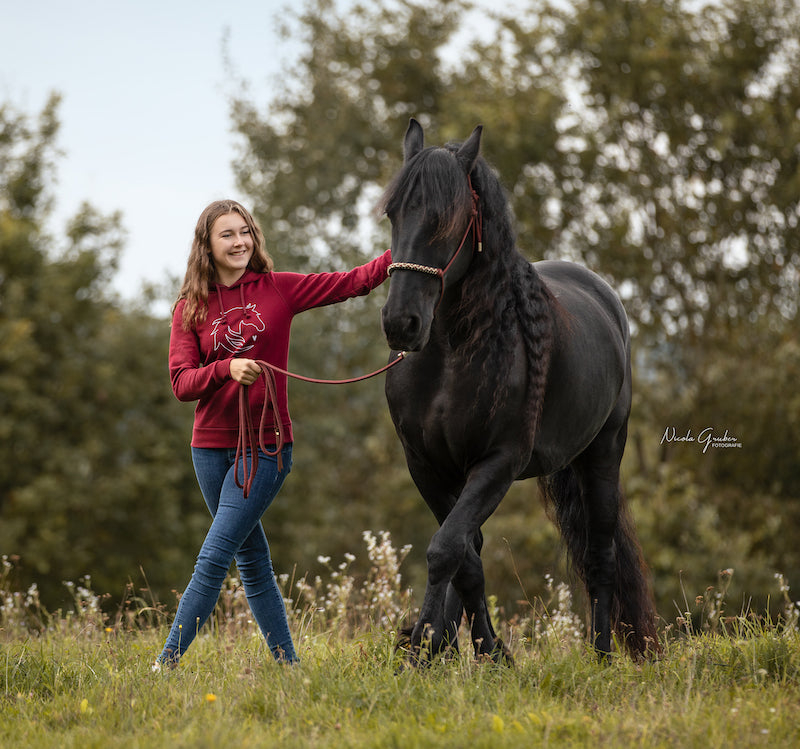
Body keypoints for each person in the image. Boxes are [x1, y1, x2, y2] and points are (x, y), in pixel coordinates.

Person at [154, 199, 391, 669]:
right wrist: (226, 367)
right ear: (207, 245)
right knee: (253, 563)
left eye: (245, 232)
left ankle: (164, 665)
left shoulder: (278, 290)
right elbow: (181, 383)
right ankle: (290, 669)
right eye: (227, 234)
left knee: (215, 555)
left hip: (266, 448)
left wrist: (402, 251)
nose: (239, 241)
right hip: (209, 449)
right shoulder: (190, 307)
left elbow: (352, 283)